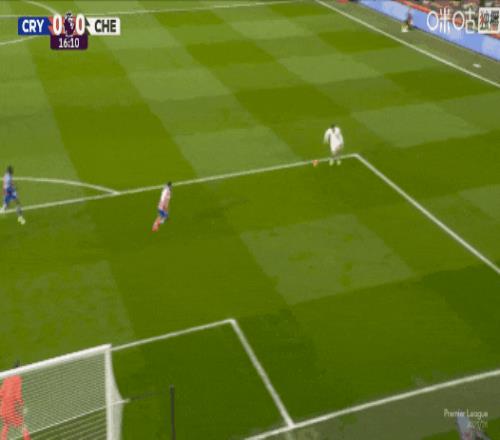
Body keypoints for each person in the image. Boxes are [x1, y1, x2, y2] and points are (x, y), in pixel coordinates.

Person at [0, 361, 31, 440]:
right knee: (23, 425)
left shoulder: (7, 377)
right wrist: (23, 406)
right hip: (11, 410)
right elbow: (17, 395)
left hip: (3, 408)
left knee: (6, 424)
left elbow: (1, 393)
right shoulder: (17, 378)